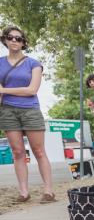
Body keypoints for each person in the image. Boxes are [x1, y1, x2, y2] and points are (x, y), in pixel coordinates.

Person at [0, 26, 55, 203]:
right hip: (8, 111)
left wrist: (5, 90)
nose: (14, 40)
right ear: (5, 40)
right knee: (17, 152)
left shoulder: (33, 63)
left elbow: (32, 90)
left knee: (39, 151)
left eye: (19, 38)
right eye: (10, 37)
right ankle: (24, 192)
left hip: (30, 109)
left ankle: (48, 191)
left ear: (24, 43)